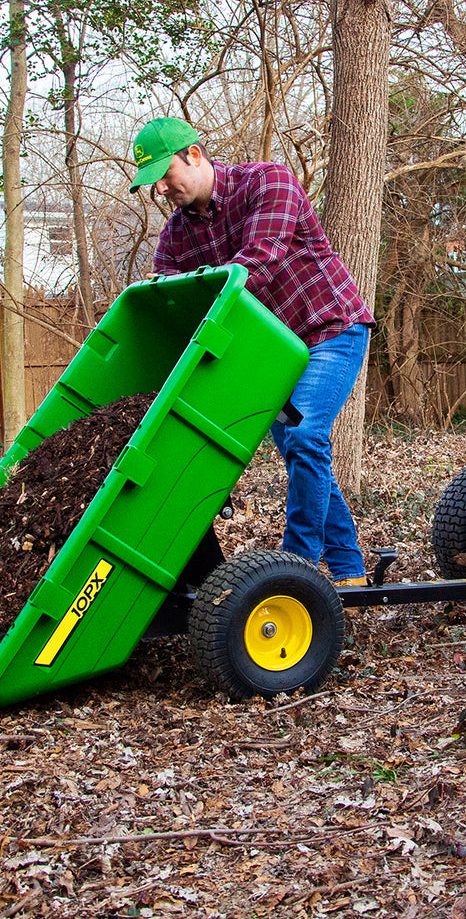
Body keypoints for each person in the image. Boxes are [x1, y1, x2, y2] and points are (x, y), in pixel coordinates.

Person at [129, 116, 375, 586]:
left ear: (195, 155)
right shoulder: (176, 236)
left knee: (304, 438)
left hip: (328, 330)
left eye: (166, 173)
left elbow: (258, 262)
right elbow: (168, 301)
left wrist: (200, 296)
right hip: (272, 357)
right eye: (152, 181)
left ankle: (294, 569)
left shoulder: (268, 181)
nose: (161, 188)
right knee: (303, 450)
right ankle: (348, 571)